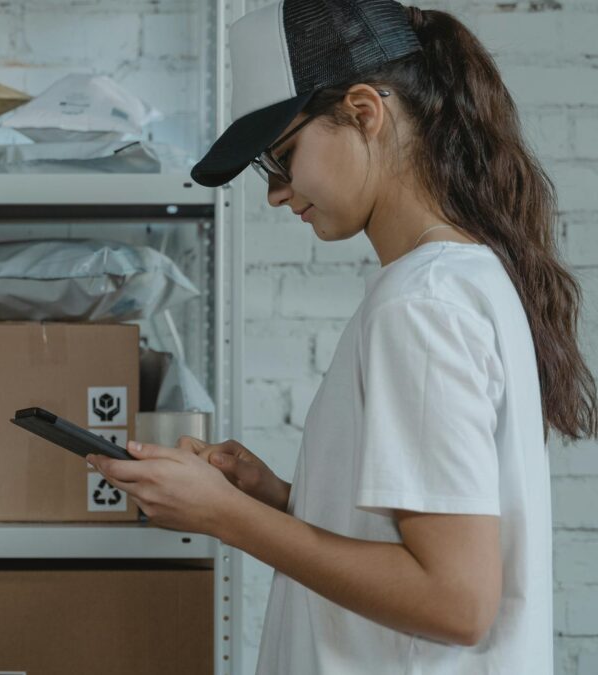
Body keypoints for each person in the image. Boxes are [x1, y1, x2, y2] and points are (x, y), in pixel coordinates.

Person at [86, 0, 597, 672]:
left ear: (364, 113)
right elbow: (430, 542)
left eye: (283, 156)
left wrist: (226, 517)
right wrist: (280, 497)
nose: (275, 192)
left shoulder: (420, 304)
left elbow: (457, 601)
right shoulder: (459, 280)